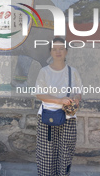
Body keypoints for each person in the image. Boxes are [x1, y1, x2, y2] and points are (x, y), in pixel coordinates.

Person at [34, 37, 82, 176]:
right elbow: (39, 94)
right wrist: (60, 100)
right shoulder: (44, 71)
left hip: (68, 117)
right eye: (55, 49)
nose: (58, 51)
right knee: (46, 154)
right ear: (50, 52)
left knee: (66, 153)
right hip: (47, 116)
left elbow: (78, 92)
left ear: (66, 51)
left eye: (61, 48)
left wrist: (76, 99)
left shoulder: (73, 72)